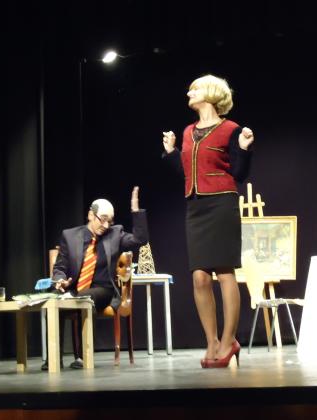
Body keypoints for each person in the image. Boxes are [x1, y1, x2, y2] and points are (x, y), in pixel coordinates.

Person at [162, 75, 254, 368]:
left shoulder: (231, 129)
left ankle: (229, 340)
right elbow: (187, 173)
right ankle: (212, 341)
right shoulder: (188, 131)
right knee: (199, 276)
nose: (189, 92)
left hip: (222, 203)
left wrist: (244, 147)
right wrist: (171, 153)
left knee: (225, 273)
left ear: (212, 93)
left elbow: (239, 173)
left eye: (196, 88)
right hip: (196, 207)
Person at [42, 186, 148, 370]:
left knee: (86, 298)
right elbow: (59, 268)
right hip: (74, 289)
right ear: (91, 215)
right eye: (103, 219)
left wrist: (136, 212)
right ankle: (53, 358)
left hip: (104, 290)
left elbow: (140, 240)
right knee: (54, 301)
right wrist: (60, 281)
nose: (106, 225)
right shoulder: (70, 236)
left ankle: (83, 356)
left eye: (110, 221)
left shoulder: (115, 234)